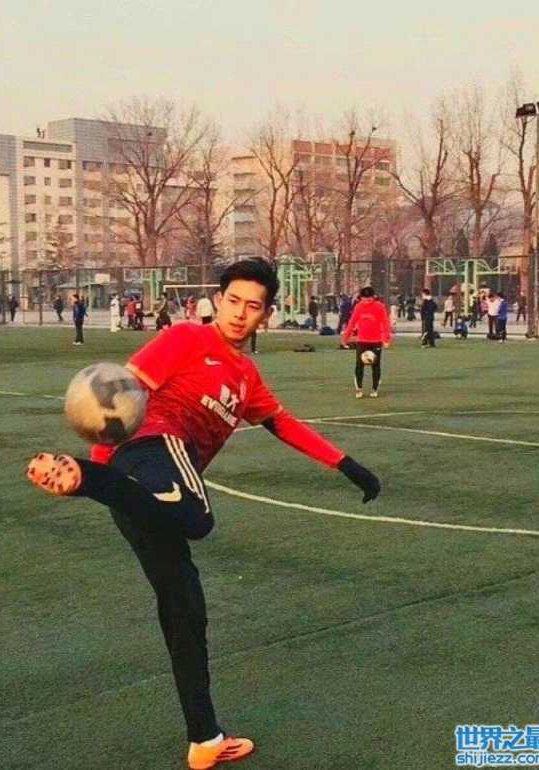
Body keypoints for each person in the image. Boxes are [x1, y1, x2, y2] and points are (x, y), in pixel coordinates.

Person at [26, 258, 381, 770]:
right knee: (198, 518)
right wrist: (98, 468)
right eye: (233, 301)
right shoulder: (187, 338)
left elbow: (282, 423)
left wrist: (347, 465)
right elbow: (119, 395)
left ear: (266, 314)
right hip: (149, 451)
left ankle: (205, 739)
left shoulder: (247, 377)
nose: (239, 313)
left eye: (252, 306)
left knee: (185, 610)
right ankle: (90, 480)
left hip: (138, 498)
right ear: (217, 300)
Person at [341, 286, 392, 398]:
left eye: (369, 299)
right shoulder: (358, 307)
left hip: (376, 341)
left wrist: (386, 339)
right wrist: (345, 338)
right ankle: (359, 389)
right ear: (361, 298)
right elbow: (352, 322)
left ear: (374, 297)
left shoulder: (379, 306)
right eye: (365, 299)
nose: (367, 301)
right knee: (359, 365)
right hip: (362, 341)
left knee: (376, 365)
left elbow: (385, 323)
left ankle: (374, 389)